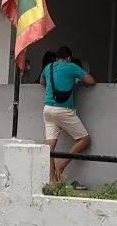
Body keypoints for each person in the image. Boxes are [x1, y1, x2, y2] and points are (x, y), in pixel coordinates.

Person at [39, 46, 95, 187]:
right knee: (85, 139)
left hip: (47, 109)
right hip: (63, 109)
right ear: (69, 57)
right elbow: (91, 81)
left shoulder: (48, 67)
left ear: (57, 57)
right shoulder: (71, 67)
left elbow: (42, 82)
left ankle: (51, 180)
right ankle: (61, 165)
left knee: (49, 146)